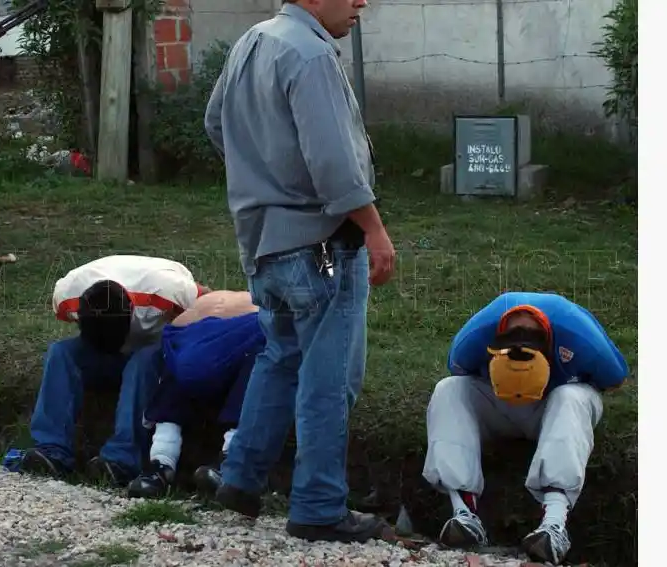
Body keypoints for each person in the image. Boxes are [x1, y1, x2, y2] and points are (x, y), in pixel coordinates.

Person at [202, 0, 397, 544]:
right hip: (320, 243)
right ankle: (318, 505)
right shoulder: (311, 54)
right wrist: (374, 229)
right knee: (328, 379)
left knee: (281, 358)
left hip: (263, 242)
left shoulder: (252, 41)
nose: (362, 2)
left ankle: (241, 479)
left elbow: (215, 123)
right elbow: (334, 163)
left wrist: (262, 177)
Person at [423, 291, 629, 564]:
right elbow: (459, 371)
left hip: (555, 406)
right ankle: (464, 512)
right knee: (449, 389)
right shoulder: (473, 338)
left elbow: (616, 380)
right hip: (499, 405)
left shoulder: (581, 337)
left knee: (571, 397)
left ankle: (554, 523)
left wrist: (564, 383)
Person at [19, 255, 210, 487]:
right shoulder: (67, 292)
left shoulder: (172, 291)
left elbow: (214, 302)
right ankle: (51, 450)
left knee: (142, 359)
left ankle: (122, 457)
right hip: (103, 354)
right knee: (60, 352)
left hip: (151, 354)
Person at [127, 291, 264, 499]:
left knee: (179, 365)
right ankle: (226, 461)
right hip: (199, 330)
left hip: (196, 331)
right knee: (260, 361)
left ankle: (161, 464)